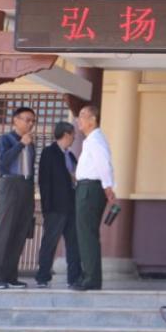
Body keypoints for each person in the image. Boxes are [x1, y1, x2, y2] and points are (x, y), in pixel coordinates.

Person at [0, 106, 38, 290]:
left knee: (20, 231)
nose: (30, 124)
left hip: (26, 186)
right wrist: (21, 144)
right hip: (9, 184)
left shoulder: (31, 143)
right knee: (4, 231)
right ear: (15, 120)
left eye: (33, 121)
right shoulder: (6, 139)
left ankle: (9, 276)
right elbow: (3, 162)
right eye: (27, 119)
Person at [34, 121, 82, 289]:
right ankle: (42, 276)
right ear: (66, 134)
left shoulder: (71, 156)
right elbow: (44, 181)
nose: (74, 138)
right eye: (73, 134)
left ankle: (74, 278)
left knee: (74, 243)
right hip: (55, 207)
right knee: (50, 242)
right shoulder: (49, 153)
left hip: (72, 206)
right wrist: (46, 207)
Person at [73, 104, 114, 292]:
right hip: (87, 187)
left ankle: (91, 278)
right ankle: (89, 274)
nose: (79, 120)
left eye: (83, 116)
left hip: (90, 188)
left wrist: (108, 186)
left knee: (87, 234)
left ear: (93, 120)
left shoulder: (95, 139)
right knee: (86, 233)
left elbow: (103, 163)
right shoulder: (91, 139)